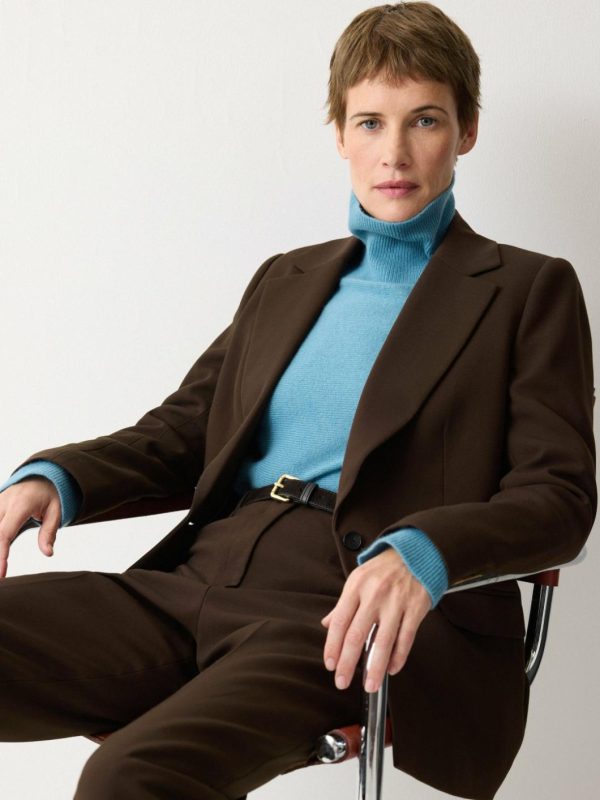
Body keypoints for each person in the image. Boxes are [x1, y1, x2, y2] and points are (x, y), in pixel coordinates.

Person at [0, 3, 595, 799]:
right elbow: (183, 435)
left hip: (344, 610)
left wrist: (427, 549)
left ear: (467, 131)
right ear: (340, 134)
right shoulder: (288, 278)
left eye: (424, 120)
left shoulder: (526, 290)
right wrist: (54, 478)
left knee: (127, 777)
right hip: (200, 575)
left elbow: (559, 496)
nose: (394, 152)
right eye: (370, 122)